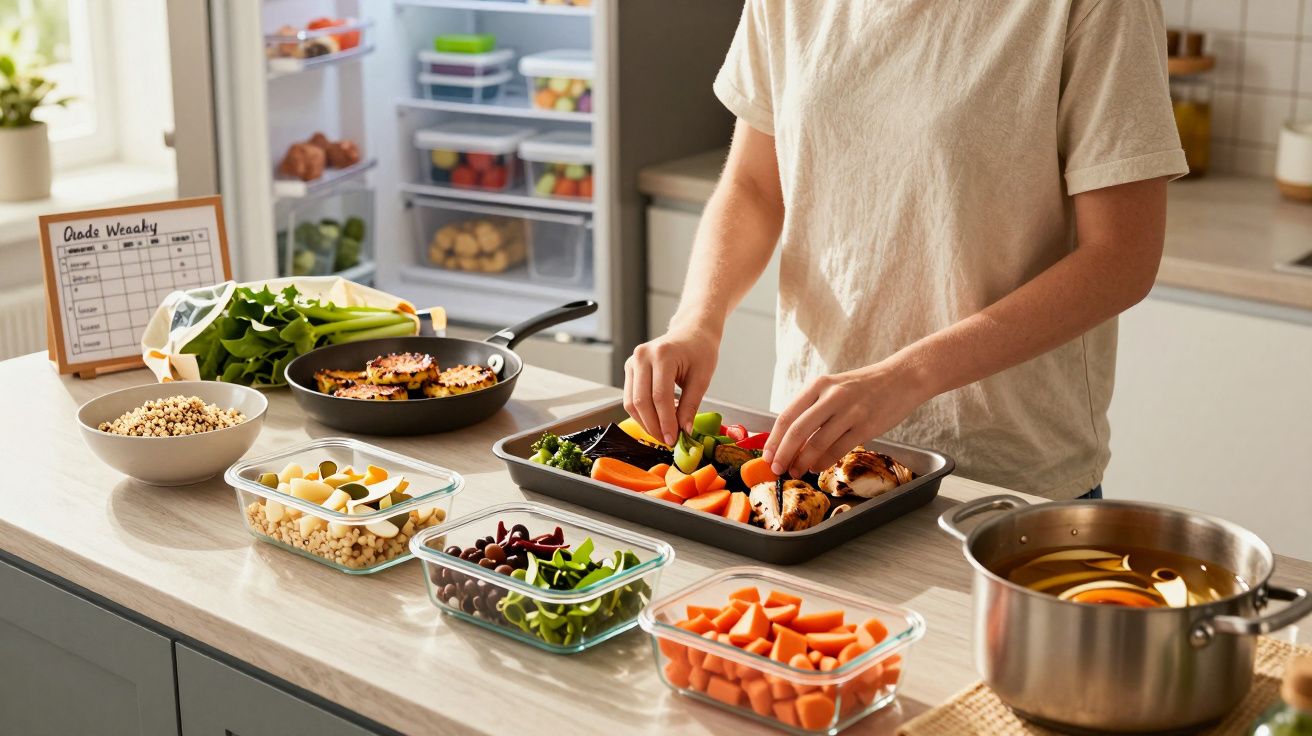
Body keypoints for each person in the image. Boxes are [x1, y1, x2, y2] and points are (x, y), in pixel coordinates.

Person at [622, 0, 1187, 500]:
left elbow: (1121, 258)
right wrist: (698, 321)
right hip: (810, 461)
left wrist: (904, 377)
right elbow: (754, 186)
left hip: (999, 483)